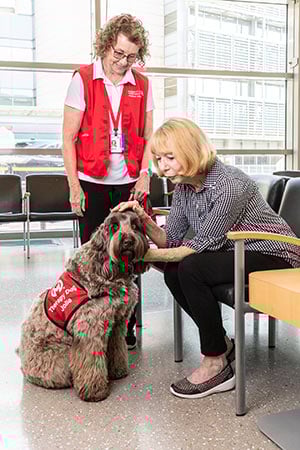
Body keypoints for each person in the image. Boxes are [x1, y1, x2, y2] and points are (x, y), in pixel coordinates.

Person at [113, 117, 300, 399]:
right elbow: (171, 240)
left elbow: (196, 248)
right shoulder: (185, 187)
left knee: (190, 267)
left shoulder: (229, 185)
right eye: (158, 158)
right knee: (176, 269)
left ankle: (216, 363)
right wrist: (143, 218)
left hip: (275, 252)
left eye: (170, 157)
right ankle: (222, 344)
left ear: (190, 150)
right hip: (237, 250)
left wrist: (136, 252)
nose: (162, 166)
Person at [62, 14, 153, 349]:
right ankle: (91, 324)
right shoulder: (83, 79)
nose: (123, 62)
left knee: (133, 255)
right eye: (118, 53)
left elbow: (148, 134)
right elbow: (68, 138)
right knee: (97, 256)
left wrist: (145, 174)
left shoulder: (142, 83)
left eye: (131, 56)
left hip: (130, 183)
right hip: (92, 181)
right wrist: (74, 187)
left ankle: (126, 324)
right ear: (105, 45)